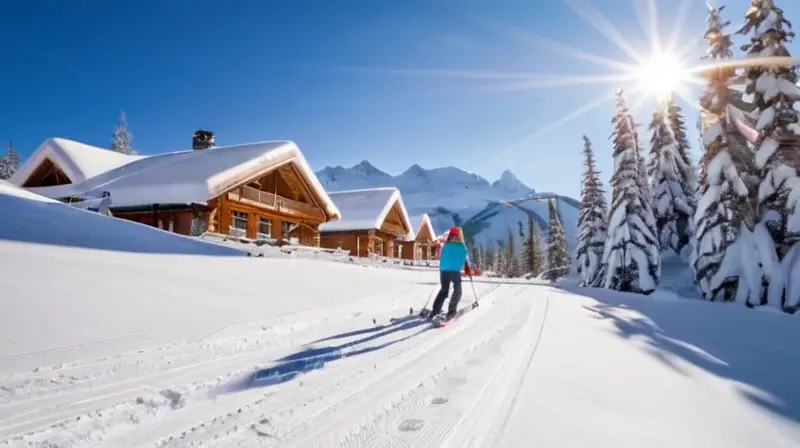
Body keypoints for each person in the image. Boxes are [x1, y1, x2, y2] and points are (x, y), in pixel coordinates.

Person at [430, 226, 473, 319]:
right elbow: (467, 261)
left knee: (444, 290)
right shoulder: (462, 246)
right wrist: (468, 269)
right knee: (457, 291)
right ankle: (451, 312)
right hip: (454, 271)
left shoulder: (446, 245)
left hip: (443, 270)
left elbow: (442, 256)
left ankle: (435, 311)